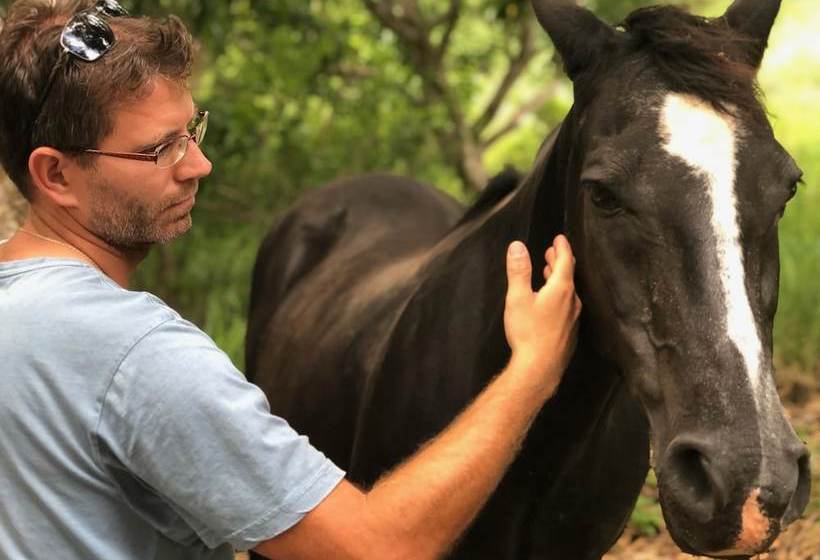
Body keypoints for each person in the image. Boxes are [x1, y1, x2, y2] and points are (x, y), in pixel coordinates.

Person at [0, 1, 582, 558]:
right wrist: (532, 368)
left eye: (191, 130)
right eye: (159, 150)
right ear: (55, 174)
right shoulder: (137, 355)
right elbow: (378, 548)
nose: (199, 165)